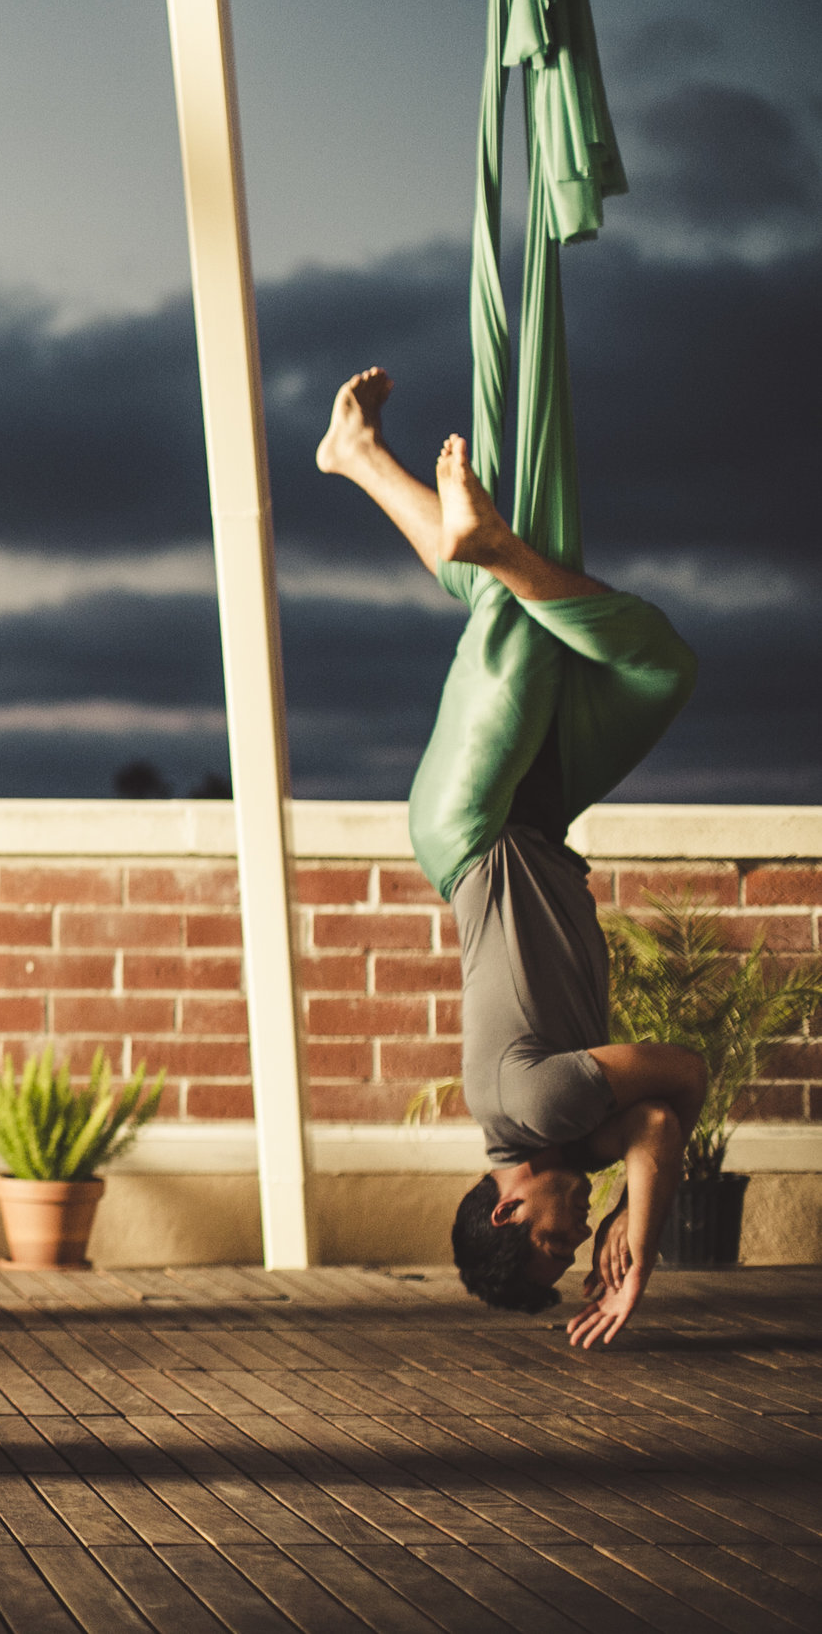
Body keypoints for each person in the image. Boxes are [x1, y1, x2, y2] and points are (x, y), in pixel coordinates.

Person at [317, 368, 703, 1347]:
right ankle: (359, 459)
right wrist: (636, 1216)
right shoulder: (563, 1132)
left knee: (514, 598)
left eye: (553, 1242)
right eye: (577, 1252)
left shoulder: (537, 1104)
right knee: (652, 665)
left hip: (470, 821)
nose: (577, 1238)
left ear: (504, 1208)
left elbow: (680, 1077)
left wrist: (638, 1237)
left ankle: (447, 520)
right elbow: (655, 1129)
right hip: (536, 817)